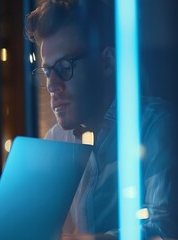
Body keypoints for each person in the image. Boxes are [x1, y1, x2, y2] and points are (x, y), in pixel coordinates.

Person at [26, 0, 178, 239]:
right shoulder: (56, 139)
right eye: (47, 71)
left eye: (64, 67)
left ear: (106, 62)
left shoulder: (159, 127)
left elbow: (166, 228)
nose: (52, 85)